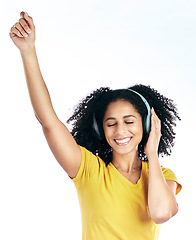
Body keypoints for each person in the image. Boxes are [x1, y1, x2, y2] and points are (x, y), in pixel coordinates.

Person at [10, 12, 182, 240]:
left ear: (147, 124)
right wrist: (28, 52)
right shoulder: (90, 170)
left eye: (129, 121)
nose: (120, 131)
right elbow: (48, 121)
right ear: (101, 129)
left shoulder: (162, 175)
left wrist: (152, 152)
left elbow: (161, 213)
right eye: (111, 124)